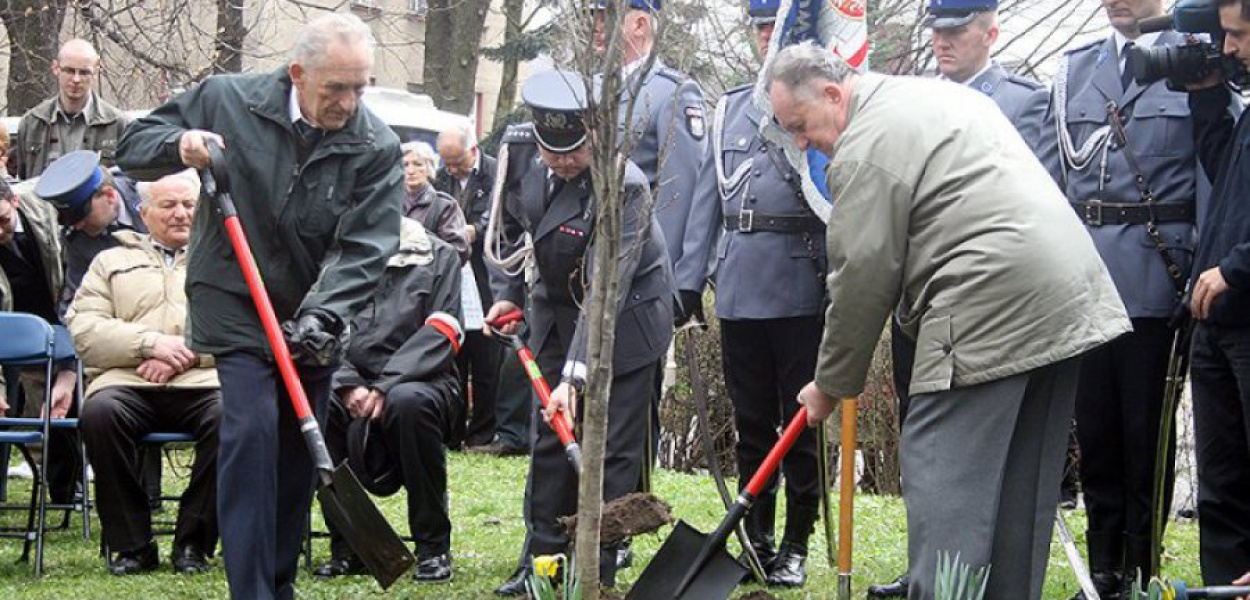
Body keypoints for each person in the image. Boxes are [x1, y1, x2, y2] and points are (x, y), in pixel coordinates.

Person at [767, 42, 1130, 600]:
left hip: (990, 301)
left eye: (800, 124)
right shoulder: (931, 95)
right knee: (1020, 488)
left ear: (834, 94)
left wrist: (831, 384)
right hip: (1065, 298)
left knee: (943, 474)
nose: (799, 141)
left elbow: (862, 276)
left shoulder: (866, 146)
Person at [116, 13, 402, 600]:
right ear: (298, 73)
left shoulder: (376, 145)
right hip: (234, 293)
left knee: (299, 448)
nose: (349, 103)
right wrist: (182, 144)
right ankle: (250, 591)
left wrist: (323, 314)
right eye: (336, 88)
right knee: (250, 431)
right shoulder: (227, 100)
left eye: (360, 87)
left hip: (315, 307)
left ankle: (278, 582)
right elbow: (132, 145)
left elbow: (367, 244)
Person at [870, 2, 1052, 596]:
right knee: (923, 442)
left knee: (984, 450)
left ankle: (978, 572)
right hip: (923, 297)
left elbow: (1038, 201)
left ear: (989, 30)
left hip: (991, 303)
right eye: (936, 33)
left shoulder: (1025, 101)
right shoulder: (917, 102)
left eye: (955, 31)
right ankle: (932, 566)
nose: (942, 43)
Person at [1035, 0, 1201, 595]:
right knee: (1096, 429)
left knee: (1145, 433)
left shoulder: (1191, 53)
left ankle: (1140, 564)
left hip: (1159, 279)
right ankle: (1103, 567)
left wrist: (1200, 269)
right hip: (1086, 279)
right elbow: (1055, 182)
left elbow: (1209, 174)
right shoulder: (1077, 69)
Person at [487, 69, 674, 596]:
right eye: (555, 152)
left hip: (626, 319)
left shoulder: (625, 186)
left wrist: (574, 377)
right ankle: (541, 559)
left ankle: (597, 564)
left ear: (594, 134)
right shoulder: (519, 152)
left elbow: (606, 290)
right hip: (552, 308)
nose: (565, 161)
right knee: (550, 436)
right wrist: (505, 291)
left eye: (576, 151)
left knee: (611, 446)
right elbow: (505, 226)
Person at [675, 0, 823, 587]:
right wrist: (689, 279)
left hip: (800, 282)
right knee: (752, 423)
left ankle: (796, 542)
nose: (767, 36)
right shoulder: (731, 106)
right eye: (760, 26)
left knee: (800, 425)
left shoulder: (821, 98)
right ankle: (755, 534)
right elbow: (707, 199)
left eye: (776, 25)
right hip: (738, 284)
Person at [68, 170, 221, 576]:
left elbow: (247, 326)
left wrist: (187, 352)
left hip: (204, 383)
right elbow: (84, 329)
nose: (181, 214)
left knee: (235, 418)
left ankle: (193, 543)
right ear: (143, 212)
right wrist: (149, 345)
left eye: (189, 205)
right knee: (99, 415)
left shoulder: (225, 259)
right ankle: (132, 546)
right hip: (126, 381)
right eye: (168, 205)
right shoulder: (110, 261)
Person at [312, 217, 463, 584]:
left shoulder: (440, 256)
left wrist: (385, 386)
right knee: (318, 405)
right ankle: (350, 547)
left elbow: (443, 331)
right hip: (346, 378)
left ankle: (432, 547)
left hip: (424, 379)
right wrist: (348, 384)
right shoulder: (331, 255)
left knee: (408, 403)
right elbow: (317, 326)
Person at [1184, 0, 1250, 585]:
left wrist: (1236, 268)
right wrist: (1206, 94)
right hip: (1219, 321)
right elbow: (1225, 172)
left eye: (1238, 35)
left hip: (1243, 309)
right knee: (1221, 487)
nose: (1228, 48)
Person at [0, 177, 79, 500]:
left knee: (59, 403)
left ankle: (64, 490)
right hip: (6, 323)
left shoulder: (45, 207)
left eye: (2, 220)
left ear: (15, 201)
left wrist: (69, 361)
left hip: (58, 311)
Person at [435, 126, 503, 451]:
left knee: (487, 359)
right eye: (446, 163)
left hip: (485, 275)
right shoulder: (441, 177)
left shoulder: (494, 173)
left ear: (472, 151)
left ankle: (482, 433)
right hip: (454, 276)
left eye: (457, 162)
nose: (452, 170)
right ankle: (453, 429)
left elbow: (505, 218)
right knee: (455, 356)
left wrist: (474, 231)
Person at [15, 39, 131, 180]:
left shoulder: (118, 125)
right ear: (55, 68)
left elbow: (128, 184)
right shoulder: (32, 123)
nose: (76, 79)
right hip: (42, 201)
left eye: (84, 72)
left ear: (95, 72)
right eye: (69, 71)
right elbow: (21, 181)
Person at [403, 141, 469, 263]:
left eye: (418, 164)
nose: (411, 171)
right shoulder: (390, 203)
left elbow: (458, 252)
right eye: (405, 165)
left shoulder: (445, 206)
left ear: (429, 169)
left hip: (428, 278)